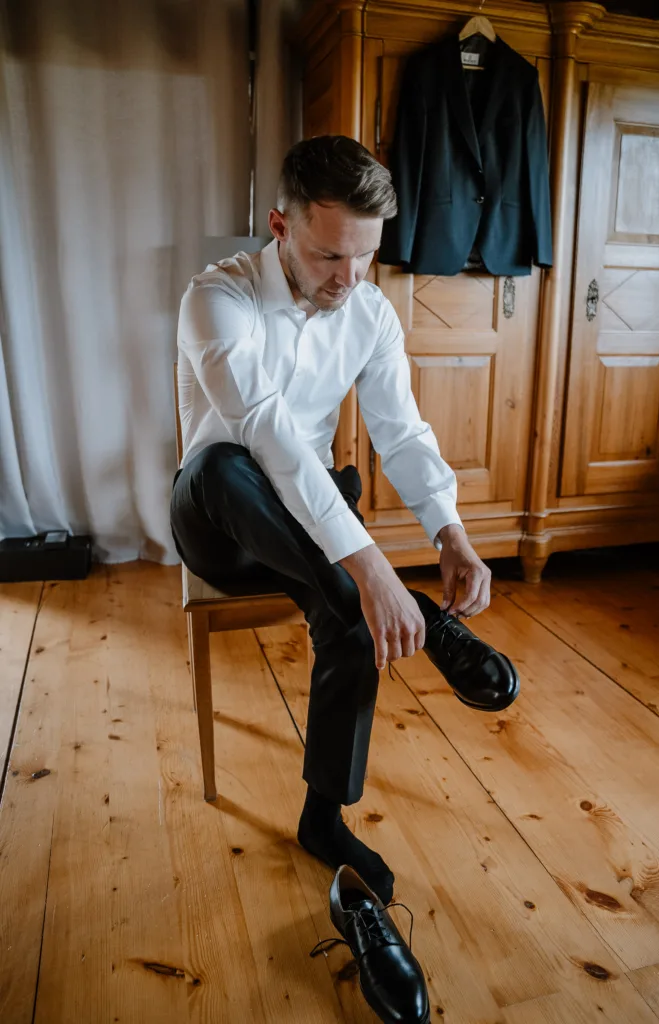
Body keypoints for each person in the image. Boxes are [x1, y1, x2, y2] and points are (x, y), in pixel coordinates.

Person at [170, 135, 518, 904]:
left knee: (352, 614)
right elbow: (266, 433)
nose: (350, 278)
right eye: (331, 256)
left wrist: (449, 532)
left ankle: (322, 819)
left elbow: (401, 430)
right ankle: (420, 614)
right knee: (227, 466)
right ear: (280, 226)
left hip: (310, 532)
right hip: (219, 521)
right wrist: (374, 570)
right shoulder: (215, 297)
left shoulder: (369, 311)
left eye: (365, 257)